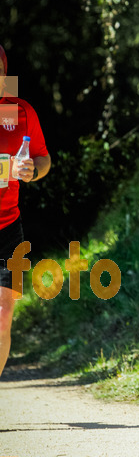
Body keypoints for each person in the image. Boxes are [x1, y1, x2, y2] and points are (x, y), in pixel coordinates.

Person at [0, 44, 51, 377]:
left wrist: (34, 170)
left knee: (3, 315)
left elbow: (44, 158)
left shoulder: (18, 111)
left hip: (8, 227)